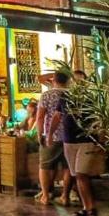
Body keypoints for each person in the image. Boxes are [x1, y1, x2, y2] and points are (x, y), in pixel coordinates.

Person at [52, 72, 106, 216]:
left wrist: (101, 138)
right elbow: (57, 116)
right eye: (75, 80)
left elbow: (99, 118)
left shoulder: (90, 99)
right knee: (77, 175)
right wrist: (49, 134)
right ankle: (86, 207)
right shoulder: (65, 97)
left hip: (86, 140)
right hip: (69, 141)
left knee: (81, 174)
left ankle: (91, 208)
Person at [35, 70, 73, 206]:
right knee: (68, 167)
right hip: (70, 136)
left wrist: (40, 133)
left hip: (51, 136)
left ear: (53, 80)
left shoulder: (47, 95)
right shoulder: (72, 94)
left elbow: (40, 116)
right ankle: (65, 196)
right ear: (68, 81)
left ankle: (45, 196)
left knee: (45, 165)